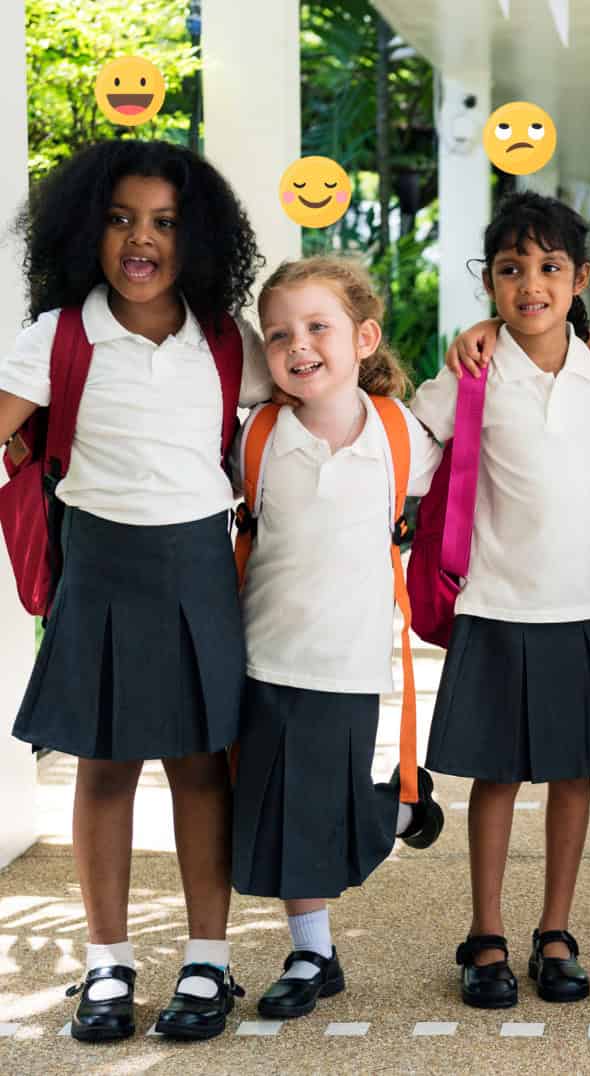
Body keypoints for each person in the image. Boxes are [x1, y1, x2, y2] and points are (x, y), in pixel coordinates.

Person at [0, 140, 270, 1042]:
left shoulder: (229, 341)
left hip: (200, 570)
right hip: (100, 572)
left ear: (198, 239)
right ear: (87, 230)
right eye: (120, 219)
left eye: (163, 222)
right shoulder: (59, 336)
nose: (140, 240)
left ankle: (208, 961)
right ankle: (106, 965)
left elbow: (330, 384)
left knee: (201, 768)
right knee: (105, 771)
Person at [411, 192, 590, 1009]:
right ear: (489, 280)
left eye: (548, 267)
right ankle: (487, 930)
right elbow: (406, 441)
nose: (530, 284)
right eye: (510, 270)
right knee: (495, 777)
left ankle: (556, 928)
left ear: (579, 277)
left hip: (584, 608)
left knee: (572, 776)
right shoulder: (470, 368)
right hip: (495, 602)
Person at [231, 256, 445, 1021]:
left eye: (318, 327)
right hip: (262, 656)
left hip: (351, 664)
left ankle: (390, 819)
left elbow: (469, 436)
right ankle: (313, 948)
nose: (299, 346)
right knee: (277, 815)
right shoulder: (255, 434)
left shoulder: (402, 436)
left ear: (364, 337)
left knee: (315, 811)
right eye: (279, 334)